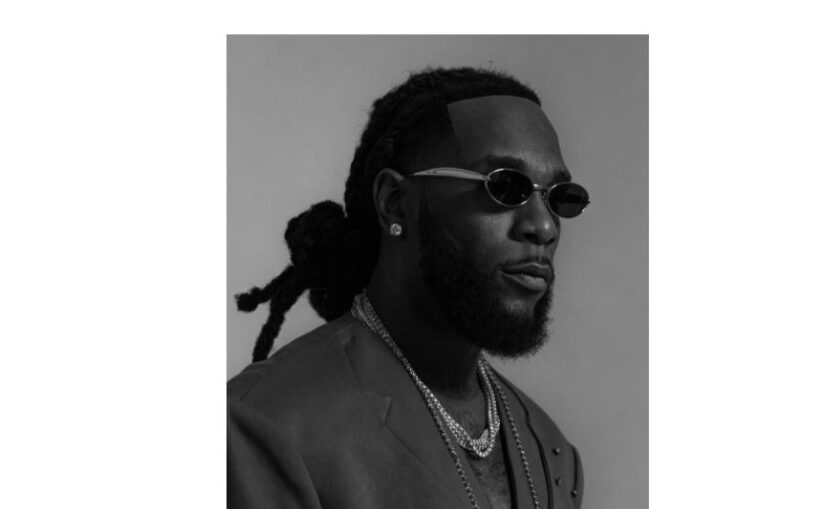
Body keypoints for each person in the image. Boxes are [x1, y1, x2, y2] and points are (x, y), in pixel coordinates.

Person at [228, 67, 589, 509]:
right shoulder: (268, 424)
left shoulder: (550, 452)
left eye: (559, 198)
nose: (544, 226)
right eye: (505, 187)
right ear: (395, 203)